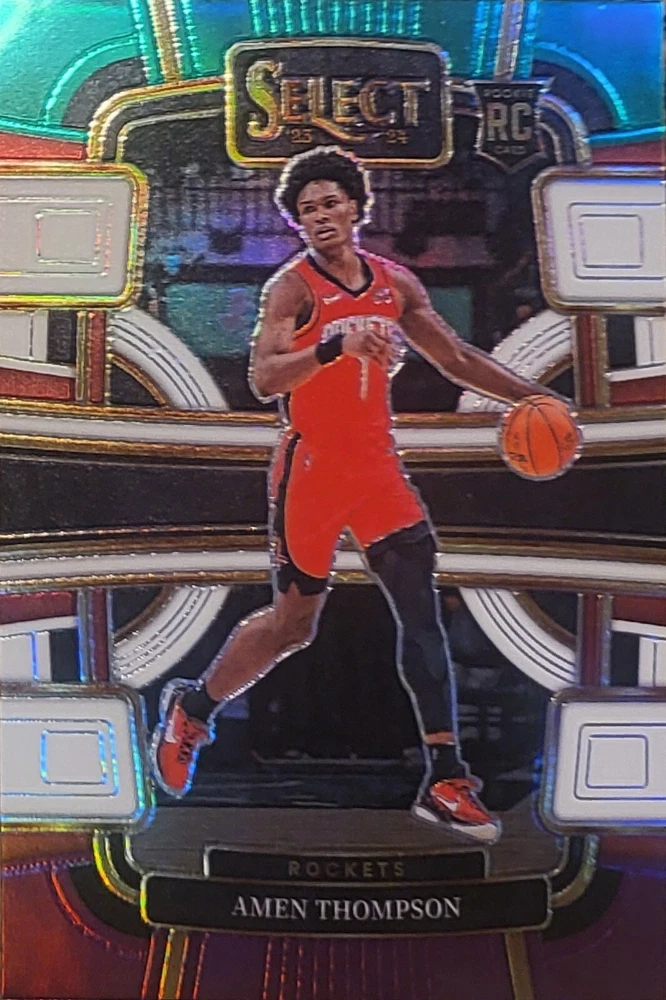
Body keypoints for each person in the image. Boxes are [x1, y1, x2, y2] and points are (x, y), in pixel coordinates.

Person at [151, 146, 552, 843]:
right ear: (297, 223)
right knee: (293, 628)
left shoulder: (396, 285)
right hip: (311, 471)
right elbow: (264, 379)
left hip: (375, 469)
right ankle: (195, 708)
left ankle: (446, 777)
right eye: (307, 210)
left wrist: (531, 397)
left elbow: (454, 357)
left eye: (330, 203)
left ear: (356, 209)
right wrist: (334, 348)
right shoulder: (292, 289)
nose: (320, 216)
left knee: (421, 614)